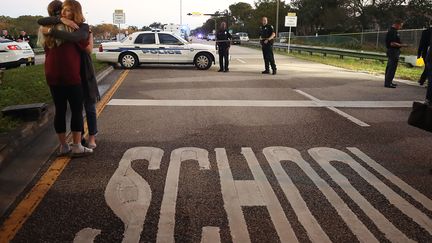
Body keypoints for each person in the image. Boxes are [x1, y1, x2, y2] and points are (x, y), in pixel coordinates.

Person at [38, 2, 99, 149]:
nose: (64, 13)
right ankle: (77, 144)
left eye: (68, 10)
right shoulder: (63, 26)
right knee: (76, 109)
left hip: (69, 71)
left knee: (73, 108)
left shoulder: (49, 29)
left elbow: (85, 45)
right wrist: (62, 21)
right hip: (72, 73)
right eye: (63, 10)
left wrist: (52, 31)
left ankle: (74, 142)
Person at [384, 19, 407, 88]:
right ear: (397, 24)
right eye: (400, 25)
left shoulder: (393, 31)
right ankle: (388, 83)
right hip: (393, 51)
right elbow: (392, 43)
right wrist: (402, 45)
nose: (400, 27)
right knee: (392, 67)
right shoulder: (393, 32)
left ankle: (389, 81)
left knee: (390, 67)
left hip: (392, 51)